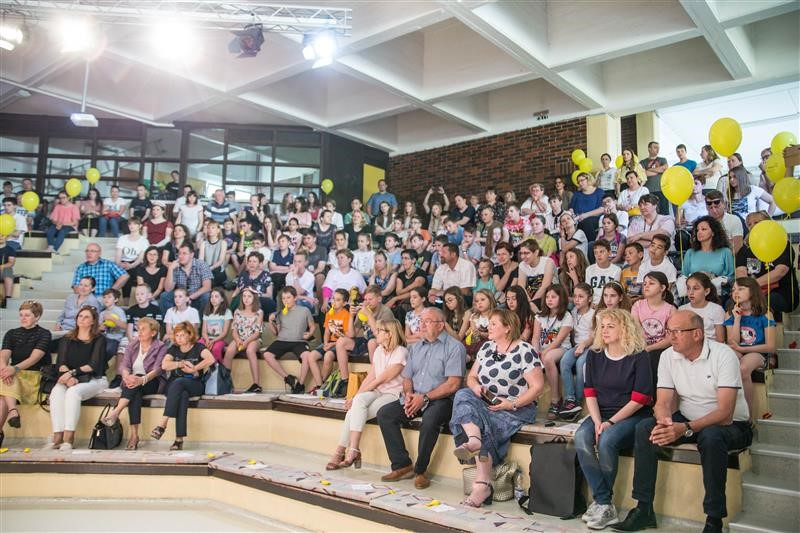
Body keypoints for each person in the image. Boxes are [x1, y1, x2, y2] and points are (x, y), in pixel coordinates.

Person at [614, 310, 752, 533]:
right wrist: (665, 422)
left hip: (731, 424)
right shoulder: (668, 356)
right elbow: (662, 401)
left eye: (677, 331)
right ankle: (643, 509)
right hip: (688, 419)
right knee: (646, 428)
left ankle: (714, 519)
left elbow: (725, 413)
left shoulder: (723, 355)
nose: (671, 336)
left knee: (711, 436)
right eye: (669, 331)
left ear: (697, 334)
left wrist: (685, 428)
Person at [450, 309, 544, 507]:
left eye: (493, 324)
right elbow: (472, 377)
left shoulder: (525, 350)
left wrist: (512, 403)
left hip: (517, 407)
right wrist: (475, 387)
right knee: (462, 394)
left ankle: (481, 485)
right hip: (486, 401)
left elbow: (537, 387)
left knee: (485, 423)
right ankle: (474, 441)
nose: (488, 327)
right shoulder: (486, 347)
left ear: (507, 328)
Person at [576, 308, 653, 529]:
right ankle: (604, 502)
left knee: (607, 439)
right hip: (601, 412)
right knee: (581, 437)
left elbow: (639, 399)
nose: (604, 330)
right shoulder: (595, 354)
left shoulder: (639, 355)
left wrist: (609, 423)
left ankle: (602, 503)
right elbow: (590, 392)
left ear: (625, 329)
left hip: (632, 414)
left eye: (610, 326)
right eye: (602, 326)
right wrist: (597, 421)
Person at [376, 307, 466, 489]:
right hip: (416, 396)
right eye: (420, 321)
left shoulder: (455, 347)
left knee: (430, 420)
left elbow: (453, 385)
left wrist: (424, 398)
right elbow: (407, 378)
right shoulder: (416, 348)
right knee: (385, 414)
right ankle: (402, 465)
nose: (422, 325)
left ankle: (420, 471)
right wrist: (409, 394)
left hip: (442, 399)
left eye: (427, 321)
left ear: (440, 325)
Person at [326, 318, 408, 470]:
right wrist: (354, 396)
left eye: (379, 330)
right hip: (378, 391)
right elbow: (372, 376)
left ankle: (343, 451)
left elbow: (381, 379)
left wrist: (356, 397)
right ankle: (353, 450)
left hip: (393, 394)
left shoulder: (401, 352)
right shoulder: (378, 350)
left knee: (353, 413)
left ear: (389, 334)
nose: (375, 333)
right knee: (357, 403)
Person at [45, 306, 107, 450]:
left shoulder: (99, 339)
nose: (82, 319)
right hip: (69, 378)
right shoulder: (67, 338)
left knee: (73, 393)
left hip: (94, 379)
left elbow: (93, 365)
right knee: (56, 392)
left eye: (86, 317)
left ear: (93, 321)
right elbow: (61, 363)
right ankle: (57, 437)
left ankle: (68, 438)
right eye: (80, 316)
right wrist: (68, 378)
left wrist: (72, 374)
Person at [102, 318, 167, 450]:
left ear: (153, 333)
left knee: (134, 384)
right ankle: (134, 435)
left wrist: (142, 379)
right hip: (133, 383)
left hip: (152, 381)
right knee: (135, 395)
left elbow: (158, 369)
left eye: (143, 329)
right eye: (138, 329)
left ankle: (116, 412)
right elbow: (124, 365)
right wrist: (126, 377)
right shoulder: (133, 344)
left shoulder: (160, 346)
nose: (139, 332)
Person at [150, 321, 215, 450]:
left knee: (179, 382)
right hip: (174, 386)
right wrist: (181, 363)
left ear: (190, 335)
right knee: (182, 395)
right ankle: (179, 440)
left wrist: (194, 368)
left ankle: (163, 423)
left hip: (194, 384)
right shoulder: (173, 349)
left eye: (182, 335)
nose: (179, 338)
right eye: (177, 335)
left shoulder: (198, 347)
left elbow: (211, 359)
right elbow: (164, 365)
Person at [0, 301, 52, 443]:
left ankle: (11, 413)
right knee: (3, 391)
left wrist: (13, 369)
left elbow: (34, 358)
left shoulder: (44, 334)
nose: (23, 318)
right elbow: (3, 355)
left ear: (37, 317)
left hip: (33, 376)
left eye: (27, 315)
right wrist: (4, 369)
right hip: (13, 376)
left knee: (4, 391)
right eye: (21, 315)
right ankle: (13, 411)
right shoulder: (11, 333)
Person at [724, 277, 776, 418]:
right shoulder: (729, 313)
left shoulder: (765, 313)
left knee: (743, 368)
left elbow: (771, 347)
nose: (736, 292)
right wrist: (737, 320)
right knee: (726, 361)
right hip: (739, 350)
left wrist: (743, 349)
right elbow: (733, 342)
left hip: (759, 353)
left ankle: (748, 416)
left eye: (741, 289)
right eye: (733, 290)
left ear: (752, 291)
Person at [736, 211, 798, 322]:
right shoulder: (745, 249)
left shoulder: (782, 244)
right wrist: (746, 289)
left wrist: (752, 286)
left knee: (763, 302)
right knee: (731, 303)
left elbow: (780, 272)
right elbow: (740, 272)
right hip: (752, 293)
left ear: (768, 223)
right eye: (749, 224)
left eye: (756, 222)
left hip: (782, 292)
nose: (752, 226)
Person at [261, 286, 316, 394]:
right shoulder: (280, 313)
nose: (286, 300)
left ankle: (300, 384)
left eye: (288, 297)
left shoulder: (304, 310)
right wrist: (271, 321)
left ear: (295, 298)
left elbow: (312, 326)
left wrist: (309, 334)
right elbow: (276, 333)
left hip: (299, 341)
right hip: (282, 340)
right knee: (267, 355)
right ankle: (288, 378)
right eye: (283, 298)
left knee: (306, 356)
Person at [532, 285, 573, 420]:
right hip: (543, 350)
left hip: (562, 348)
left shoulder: (566, 316)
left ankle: (556, 399)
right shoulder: (539, 316)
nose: (549, 300)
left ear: (561, 298)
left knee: (548, 358)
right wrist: (536, 351)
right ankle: (531, 398)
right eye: (547, 297)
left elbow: (558, 341)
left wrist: (544, 352)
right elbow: (535, 338)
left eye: (553, 297)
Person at [300, 288, 350, 393]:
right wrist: (326, 343)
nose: (334, 302)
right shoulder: (329, 313)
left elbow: (346, 336)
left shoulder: (346, 315)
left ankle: (322, 384)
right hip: (330, 342)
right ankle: (319, 385)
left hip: (340, 344)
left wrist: (332, 345)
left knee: (328, 356)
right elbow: (327, 332)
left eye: (338, 300)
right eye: (333, 299)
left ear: (345, 303)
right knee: (311, 356)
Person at [558, 283, 595, 420]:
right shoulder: (573, 312)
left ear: (589, 299)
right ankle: (570, 399)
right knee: (564, 362)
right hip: (577, 346)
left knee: (580, 364)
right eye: (575, 296)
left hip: (590, 346)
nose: (576, 299)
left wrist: (584, 345)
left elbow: (594, 336)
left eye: (581, 296)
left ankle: (578, 401)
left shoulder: (594, 314)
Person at [631, 271, 676, 383]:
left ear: (662, 288)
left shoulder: (671, 310)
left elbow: (670, 338)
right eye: (644, 283)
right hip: (641, 345)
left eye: (651, 283)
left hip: (661, 349)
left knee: (654, 358)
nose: (646, 286)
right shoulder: (637, 305)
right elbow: (636, 329)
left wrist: (649, 348)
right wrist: (643, 347)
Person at [679, 216, 734, 295]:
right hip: (693, 294)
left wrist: (713, 277)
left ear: (713, 232)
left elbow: (731, 276)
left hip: (717, 294)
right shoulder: (690, 253)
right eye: (697, 230)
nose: (699, 232)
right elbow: (684, 275)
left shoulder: (725, 252)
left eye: (703, 229)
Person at [222, 288, 263, 393]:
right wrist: (238, 340)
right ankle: (225, 382)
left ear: (254, 298)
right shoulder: (237, 311)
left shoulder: (259, 312)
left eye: (249, 296)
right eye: (244, 296)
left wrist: (246, 342)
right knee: (229, 350)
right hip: (239, 338)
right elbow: (234, 330)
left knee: (250, 350)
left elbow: (257, 333)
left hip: (253, 339)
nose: (246, 299)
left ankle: (256, 384)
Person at [159, 243, 213, 315]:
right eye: (179, 254)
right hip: (180, 297)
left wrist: (189, 298)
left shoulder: (201, 264)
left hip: (197, 296)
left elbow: (207, 287)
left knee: (206, 296)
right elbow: (168, 289)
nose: (181, 256)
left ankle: (200, 320)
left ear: (191, 255)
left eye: (184, 253)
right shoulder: (175, 266)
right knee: (164, 296)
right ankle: (170, 320)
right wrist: (170, 269)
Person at [679, 272, 725, 342]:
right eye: (688, 288)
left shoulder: (717, 309)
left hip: (711, 346)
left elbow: (720, 340)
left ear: (706, 291)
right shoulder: (681, 309)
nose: (691, 292)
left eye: (695, 288)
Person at [516, 239, 555, 312]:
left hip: (548, 295)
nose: (523, 256)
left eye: (526, 253)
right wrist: (528, 302)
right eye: (521, 253)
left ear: (536, 252)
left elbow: (545, 286)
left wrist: (532, 303)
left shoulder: (548, 262)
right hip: (529, 297)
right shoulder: (522, 265)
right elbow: (521, 286)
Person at [115, 216, 149, 298]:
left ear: (140, 226)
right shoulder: (122, 238)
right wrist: (119, 264)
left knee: (130, 274)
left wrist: (131, 265)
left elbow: (140, 258)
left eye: (134, 224)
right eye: (130, 224)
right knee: (122, 273)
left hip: (136, 263)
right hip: (123, 262)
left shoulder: (144, 241)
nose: (131, 226)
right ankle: (121, 300)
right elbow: (118, 255)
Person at [704, 190, 744, 255]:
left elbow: (738, 247)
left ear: (724, 204)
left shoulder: (734, 220)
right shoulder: (703, 223)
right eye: (711, 208)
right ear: (706, 207)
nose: (714, 211)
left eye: (717, 207)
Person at [586, 240, 622, 305]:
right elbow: (587, 291)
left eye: (601, 252)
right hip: (592, 304)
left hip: (608, 304)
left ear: (609, 253)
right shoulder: (589, 269)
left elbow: (615, 293)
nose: (598, 255)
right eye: (595, 252)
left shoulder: (617, 270)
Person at [571, 173, 605, 242]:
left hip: (595, 218)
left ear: (588, 179)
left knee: (586, 222)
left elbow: (602, 209)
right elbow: (571, 209)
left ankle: (594, 244)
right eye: (578, 182)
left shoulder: (599, 192)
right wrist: (572, 215)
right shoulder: (577, 194)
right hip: (578, 219)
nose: (580, 183)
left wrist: (585, 215)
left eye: (582, 180)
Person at [200, 288, 232, 363]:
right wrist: (207, 340)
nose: (213, 299)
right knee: (199, 346)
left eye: (216, 296)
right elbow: (204, 332)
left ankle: (217, 366)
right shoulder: (206, 312)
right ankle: (200, 368)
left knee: (216, 349)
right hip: (207, 339)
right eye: (212, 296)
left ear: (222, 299)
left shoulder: (227, 312)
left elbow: (224, 333)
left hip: (220, 339)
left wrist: (213, 341)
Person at [640, 141, 669, 215]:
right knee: (651, 213)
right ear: (649, 149)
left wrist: (649, 169)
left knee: (664, 212)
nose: (657, 149)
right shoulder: (643, 162)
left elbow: (664, 169)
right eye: (655, 147)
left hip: (661, 189)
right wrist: (658, 171)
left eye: (658, 148)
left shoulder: (662, 159)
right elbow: (643, 173)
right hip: (648, 191)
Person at [198, 220, 228, 288]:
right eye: (208, 228)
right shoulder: (204, 243)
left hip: (217, 270)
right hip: (206, 270)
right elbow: (200, 260)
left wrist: (210, 268)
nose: (210, 230)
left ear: (218, 230)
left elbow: (221, 261)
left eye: (213, 228)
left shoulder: (223, 243)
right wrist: (204, 269)